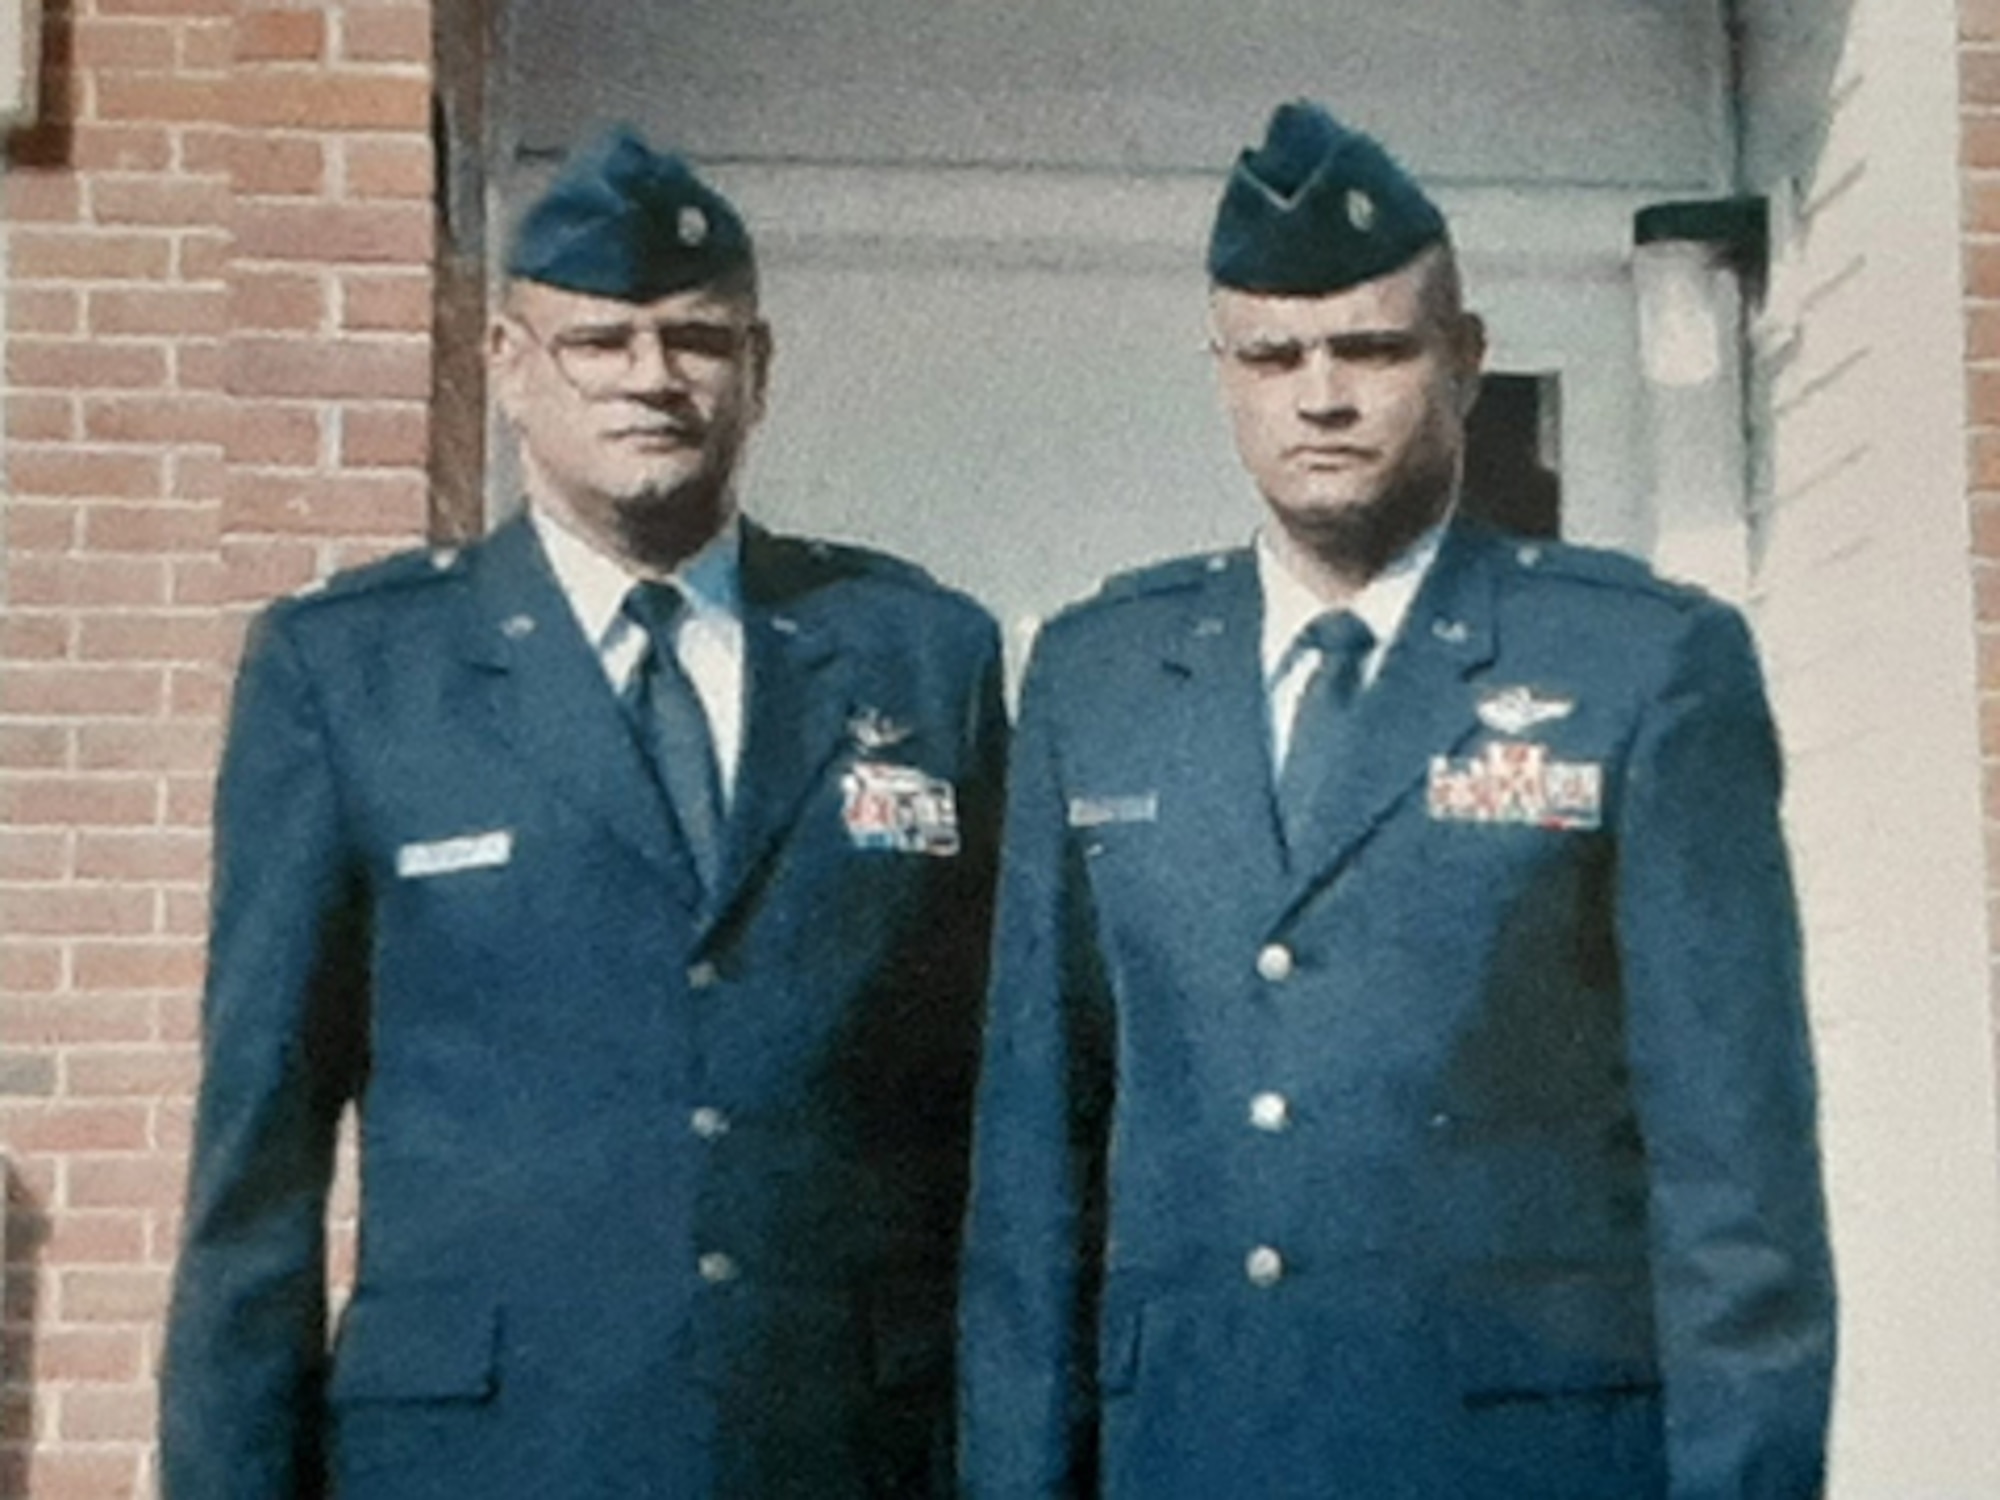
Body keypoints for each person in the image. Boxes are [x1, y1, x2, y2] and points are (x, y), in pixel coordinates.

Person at [958, 101, 1834, 1500]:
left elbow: (1738, 1190)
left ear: (1465, 361)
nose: (1321, 396)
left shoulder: (1640, 664)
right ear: (1224, 372)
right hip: (1188, 1452)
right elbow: (1031, 1171)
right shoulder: (1099, 673)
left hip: (1524, 1463)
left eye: (1371, 347)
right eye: (1275, 354)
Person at [161, 125, 1005, 1499]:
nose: (652, 380)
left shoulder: (919, 655)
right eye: (598, 343)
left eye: (698, 341)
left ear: (761, 369)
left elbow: (997, 1117)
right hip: (480, 1454)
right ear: (505, 364)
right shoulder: (357, 671)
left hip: (839, 1452)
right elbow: (258, 1165)